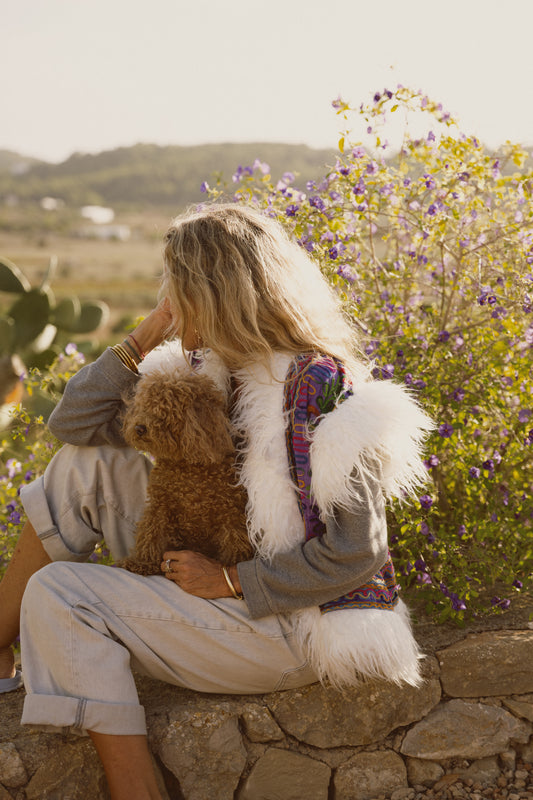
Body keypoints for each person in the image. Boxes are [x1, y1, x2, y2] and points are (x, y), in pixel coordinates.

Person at [0, 203, 433, 800]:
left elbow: (357, 553)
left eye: (179, 291)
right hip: (210, 570)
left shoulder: (320, 388)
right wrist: (147, 333)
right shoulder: (207, 370)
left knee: (59, 594)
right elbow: (73, 423)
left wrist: (230, 579)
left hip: (284, 623)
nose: (170, 304)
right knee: (88, 462)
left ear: (218, 296)